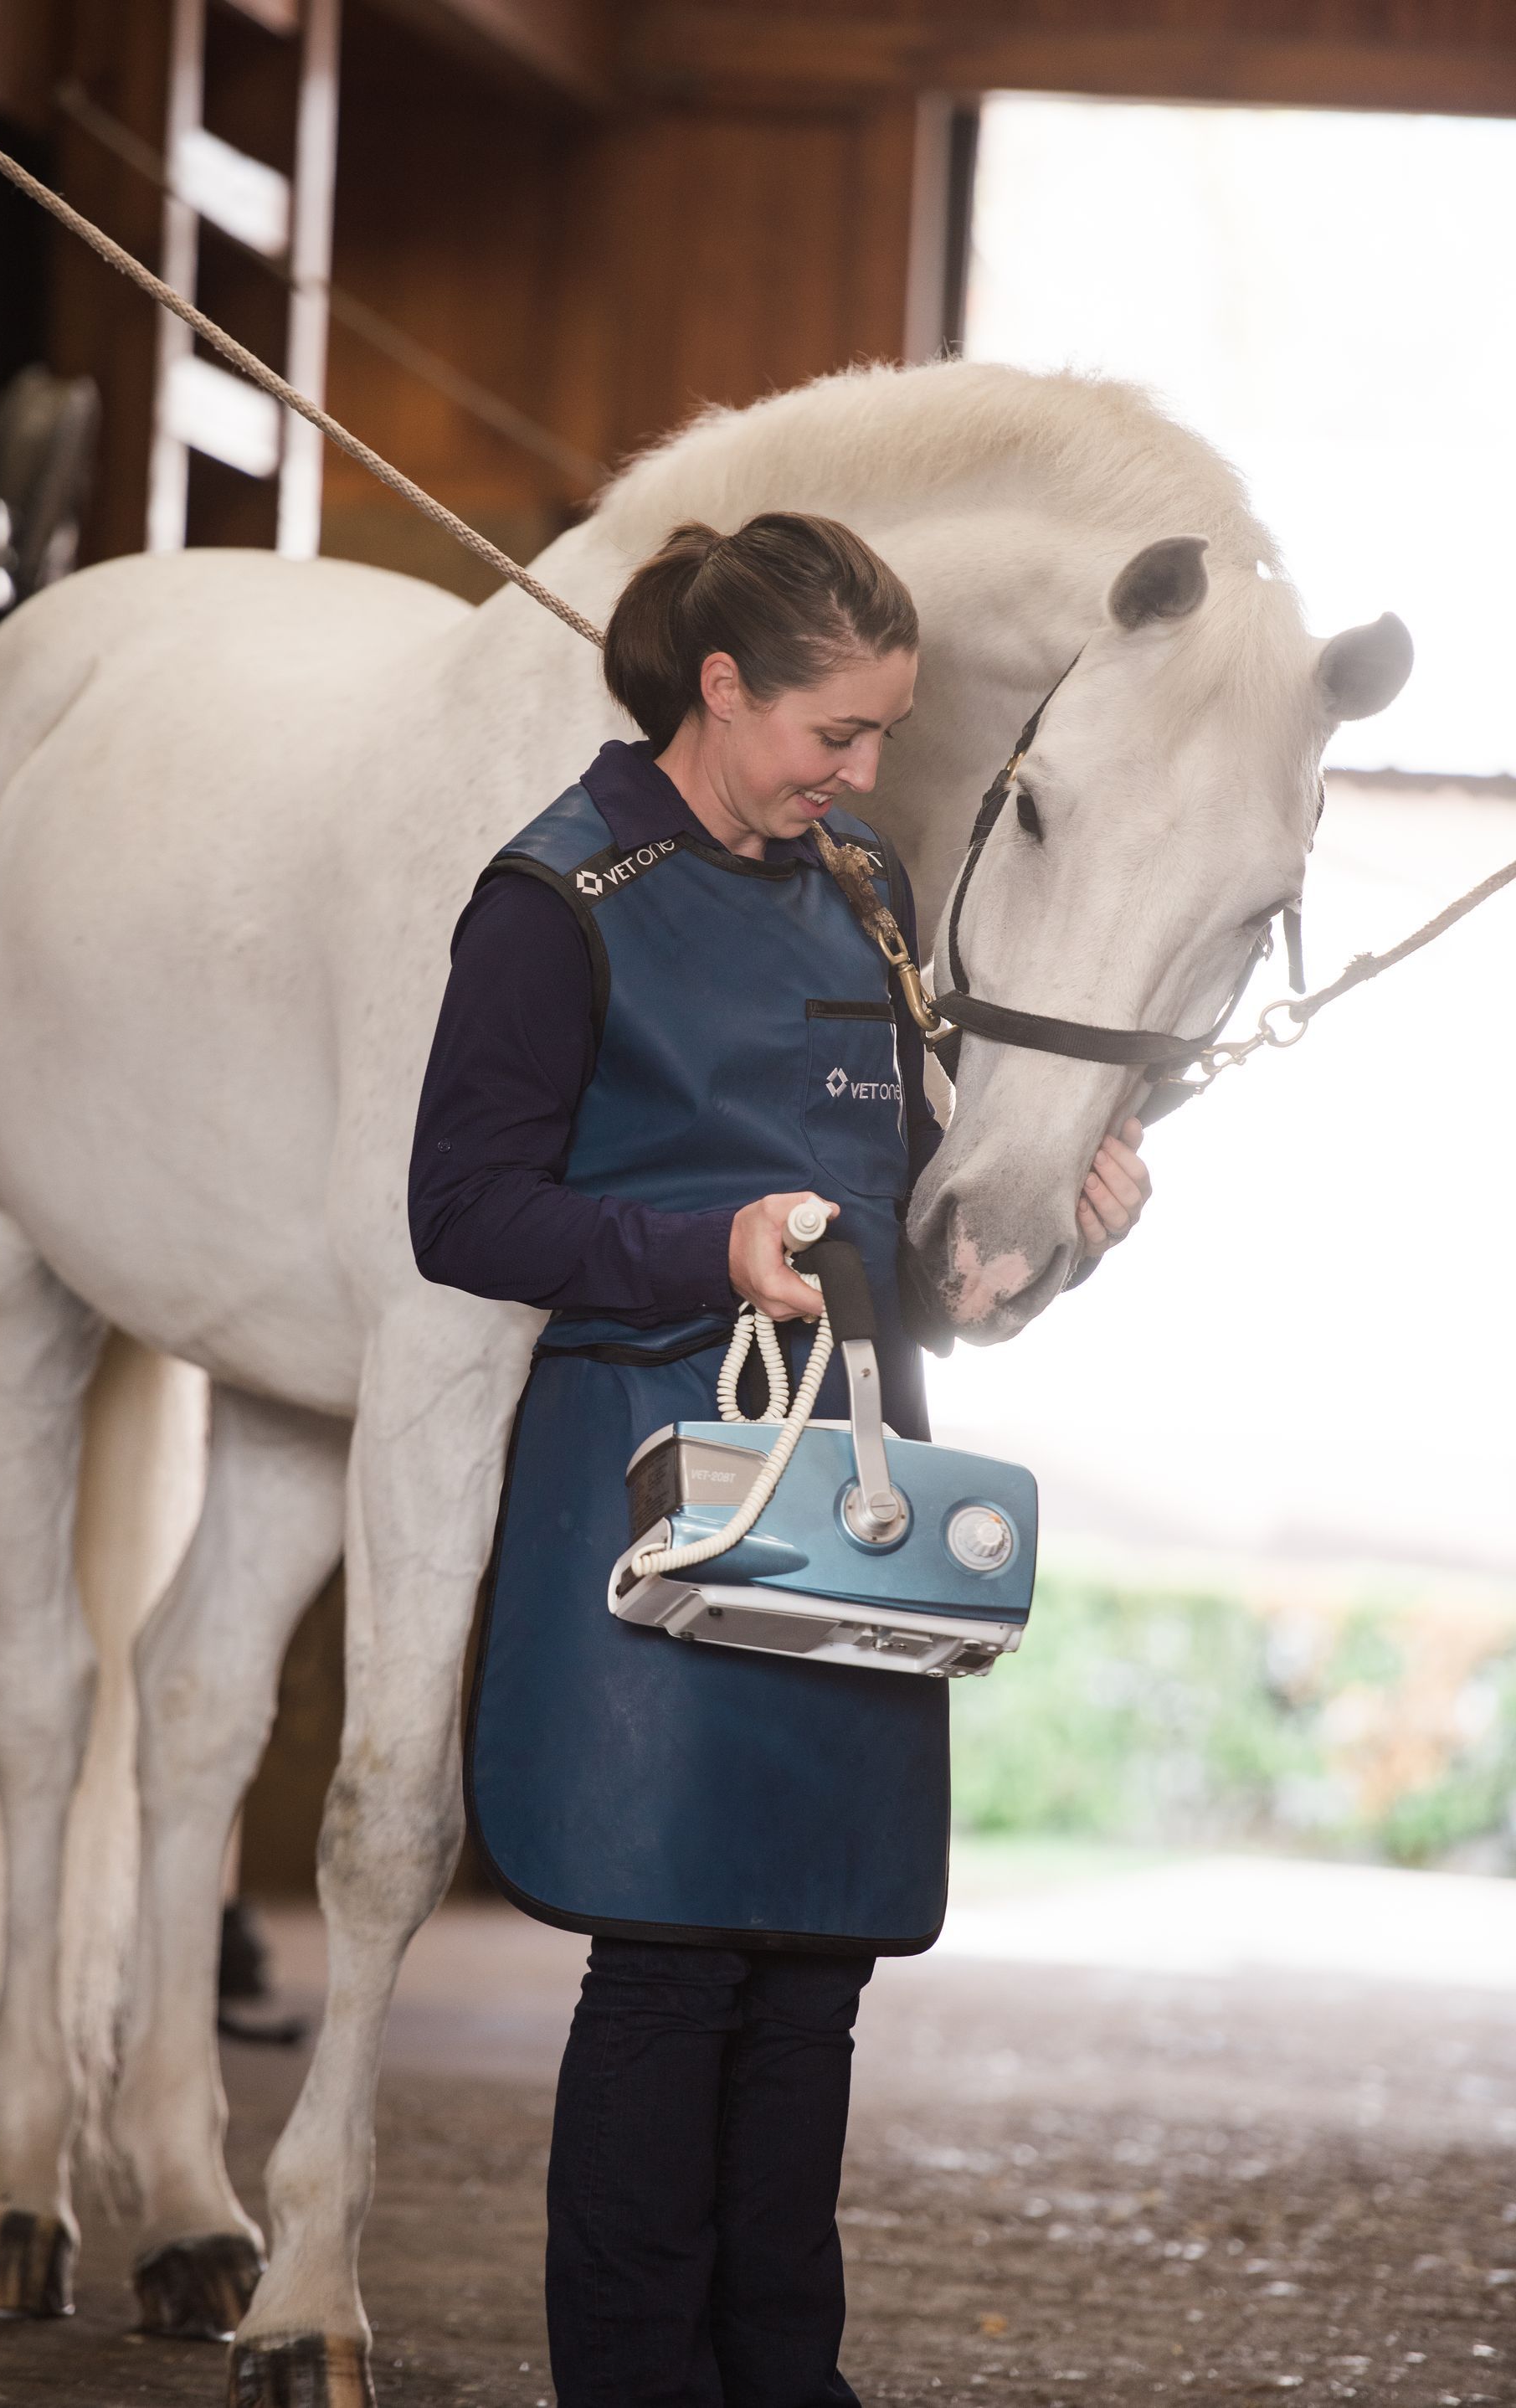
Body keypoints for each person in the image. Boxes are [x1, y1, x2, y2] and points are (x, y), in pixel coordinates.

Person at [409, 514, 1150, 2408]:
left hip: (849, 1500)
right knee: (668, 1972)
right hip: (647, 1500)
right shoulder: (557, 896)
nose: (863, 774)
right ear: (720, 687)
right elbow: (460, 1212)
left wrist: (1056, 1225)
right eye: (835, 730)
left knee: (814, 1972)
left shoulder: (870, 892)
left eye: (886, 736)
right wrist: (699, 1246)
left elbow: (901, 1259)